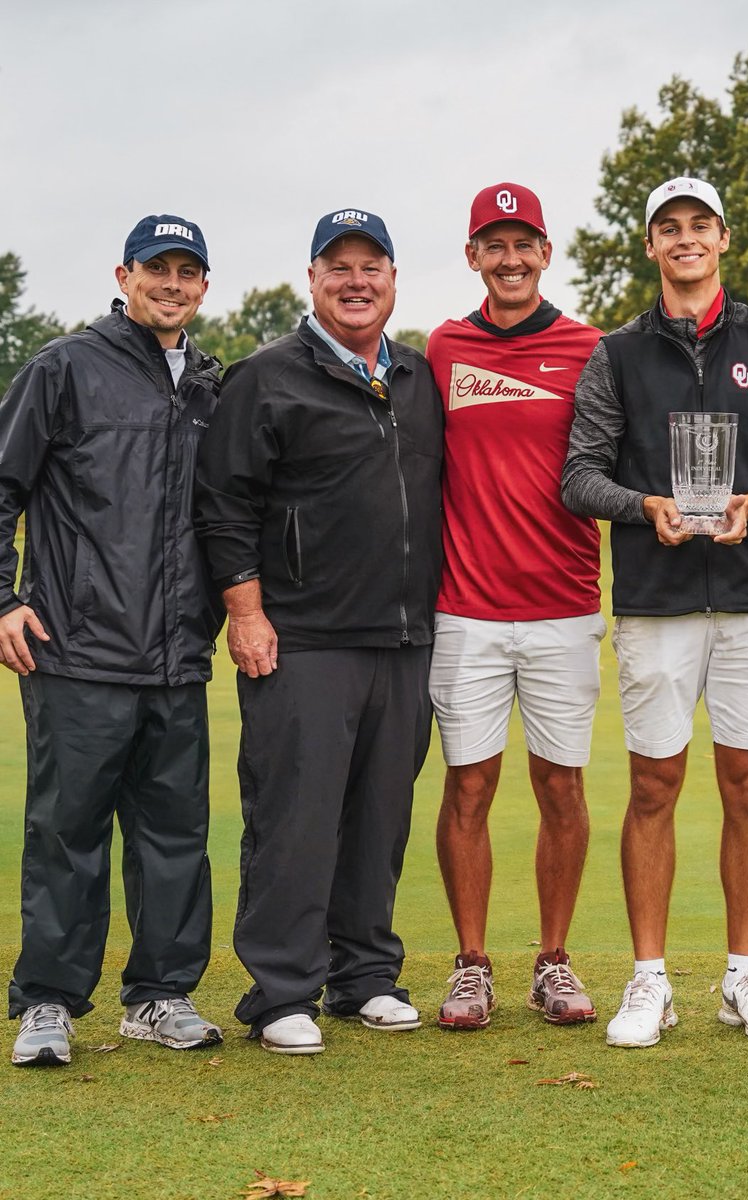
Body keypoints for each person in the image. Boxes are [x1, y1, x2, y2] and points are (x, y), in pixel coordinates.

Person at [562, 176, 748, 1048]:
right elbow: (580, 477)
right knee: (653, 786)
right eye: (669, 227)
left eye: (700, 225)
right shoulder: (617, 354)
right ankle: (650, 979)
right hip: (657, 601)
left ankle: (743, 975)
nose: (685, 238)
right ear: (650, 245)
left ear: (723, 238)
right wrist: (646, 507)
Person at [194, 209, 442, 1056]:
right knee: (295, 819)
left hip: (403, 638)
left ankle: (364, 976)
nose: (356, 281)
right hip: (301, 638)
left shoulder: (415, 376)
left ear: (394, 279)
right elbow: (224, 505)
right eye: (339, 267)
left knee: (380, 819)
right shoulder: (266, 377)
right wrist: (246, 612)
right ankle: (281, 990)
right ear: (312, 279)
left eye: (372, 266)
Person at [1, 215, 223, 1066]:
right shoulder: (63, 368)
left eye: (187, 272)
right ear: (124, 276)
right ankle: (48, 1003)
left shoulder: (209, 386)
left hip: (175, 656)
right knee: (68, 836)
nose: (172, 284)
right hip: (76, 649)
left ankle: (160, 996)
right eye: (156, 268)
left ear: (203, 286)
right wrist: (2, 599)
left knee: (176, 840)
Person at [425, 183, 604, 1030]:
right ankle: (471, 966)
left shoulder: (589, 348)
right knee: (469, 784)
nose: (510, 259)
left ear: (546, 253)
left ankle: (553, 961)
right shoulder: (443, 347)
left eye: (523, 243)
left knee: (560, 784)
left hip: (564, 605)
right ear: (473, 257)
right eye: (493, 245)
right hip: (466, 607)